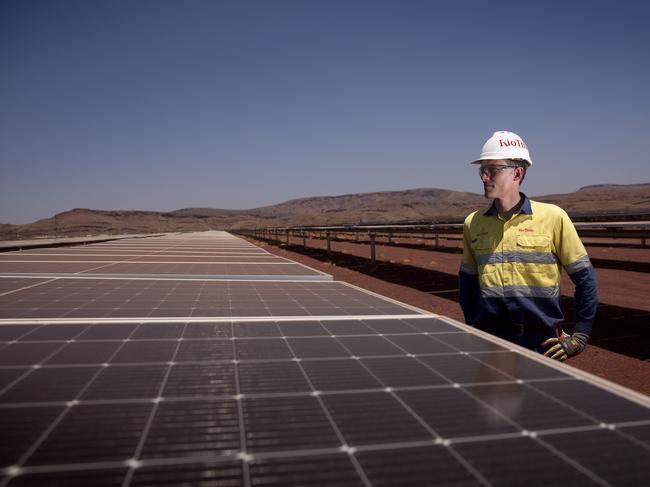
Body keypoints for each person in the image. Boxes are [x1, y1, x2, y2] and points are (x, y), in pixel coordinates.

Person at [458, 131, 598, 360]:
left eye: (492, 169)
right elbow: (467, 283)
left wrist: (580, 336)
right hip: (490, 339)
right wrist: (473, 325)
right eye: (481, 170)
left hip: (542, 343)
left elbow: (585, 279)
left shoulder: (553, 217)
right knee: (494, 396)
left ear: (517, 173)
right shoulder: (473, 222)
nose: (484, 177)